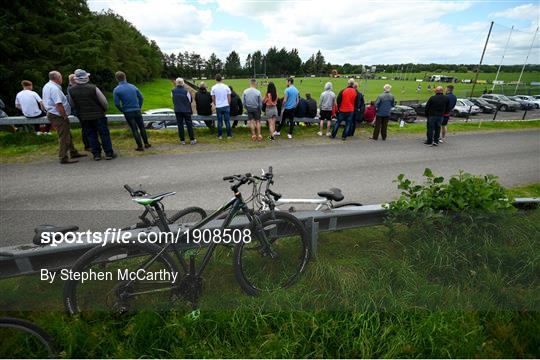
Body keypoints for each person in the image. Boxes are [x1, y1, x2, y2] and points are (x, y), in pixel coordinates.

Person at [68, 69, 115, 161]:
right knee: (104, 134)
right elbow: (104, 102)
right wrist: (103, 110)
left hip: (84, 117)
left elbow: (72, 104)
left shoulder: (71, 90)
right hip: (98, 115)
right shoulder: (93, 88)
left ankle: (96, 154)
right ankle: (108, 153)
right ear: (85, 78)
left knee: (91, 135)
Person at [42, 70, 86, 164]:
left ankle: (73, 152)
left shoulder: (47, 86)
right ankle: (63, 157)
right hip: (58, 115)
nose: (62, 78)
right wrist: (64, 115)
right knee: (64, 137)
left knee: (67, 134)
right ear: (57, 78)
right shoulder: (54, 89)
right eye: (61, 77)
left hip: (53, 113)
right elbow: (58, 104)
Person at [113, 71, 150, 151]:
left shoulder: (116, 90)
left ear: (117, 79)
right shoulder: (133, 87)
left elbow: (117, 104)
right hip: (137, 110)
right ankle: (146, 144)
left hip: (128, 111)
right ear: (125, 77)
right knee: (142, 127)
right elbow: (141, 98)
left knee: (134, 129)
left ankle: (140, 147)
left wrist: (122, 110)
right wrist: (139, 106)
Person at [67, 74, 90, 151]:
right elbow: (72, 103)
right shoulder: (71, 88)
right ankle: (87, 144)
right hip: (78, 111)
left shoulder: (70, 88)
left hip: (79, 110)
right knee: (85, 127)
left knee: (86, 127)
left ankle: (89, 143)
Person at [172, 77, 196, 145]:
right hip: (186, 110)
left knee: (180, 125)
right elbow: (190, 100)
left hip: (178, 110)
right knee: (189, 125)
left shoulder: (173, 91)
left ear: (176, 83)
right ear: (183, 83)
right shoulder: (186, 91)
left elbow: (173, 100)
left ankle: (182, 140)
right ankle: (192, 139)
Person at [210, 74, 232, 139]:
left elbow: (213, 98)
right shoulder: (226, 87)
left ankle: (220, 135)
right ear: (221, 79)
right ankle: (229, 135)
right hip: (226, 105)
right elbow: (229, 97)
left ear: (215, 79)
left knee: (219, 121)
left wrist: (216, 104)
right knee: (227, 121)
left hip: (218, 106)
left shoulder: (213, 87)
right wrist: (228, 104)